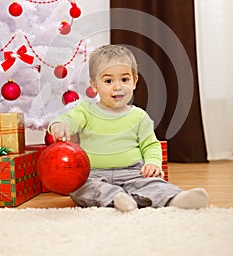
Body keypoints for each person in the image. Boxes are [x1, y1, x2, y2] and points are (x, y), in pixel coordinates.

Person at [49, 44, 209, 212]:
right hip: (94, 174)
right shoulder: (86, 111)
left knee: (154, 184)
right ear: (94, 85)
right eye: (108, 81)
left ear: (134, 81)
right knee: (80, 189)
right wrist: (60, 124)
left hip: (133, 172)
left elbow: (150, 145)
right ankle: (118, 199)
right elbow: (70, 119)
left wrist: (153, 163)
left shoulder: (139, 116)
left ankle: (176, 198)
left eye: (124, 79)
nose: (117, 87)